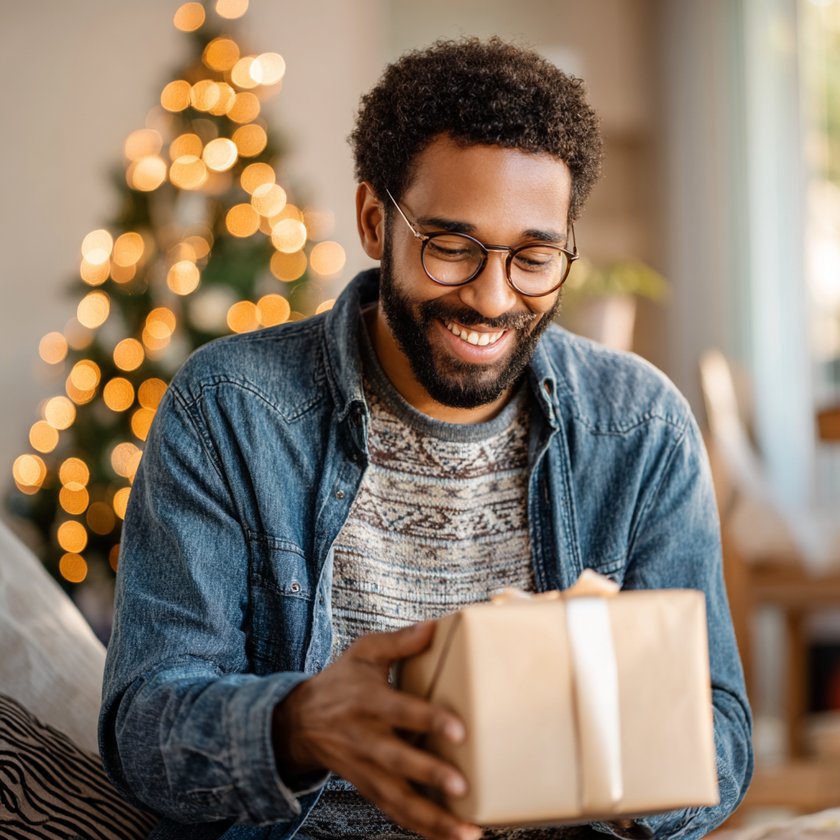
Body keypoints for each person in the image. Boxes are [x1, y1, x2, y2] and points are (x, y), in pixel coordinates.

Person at [100, 37, 753, 840]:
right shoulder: (229, 410)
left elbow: (722, 736)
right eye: (452, 247)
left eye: (535, 257)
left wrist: (628, 750)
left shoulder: (641, 428)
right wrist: (297, 724)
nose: (491, 296)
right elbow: (145, 725)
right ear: (377, 221)